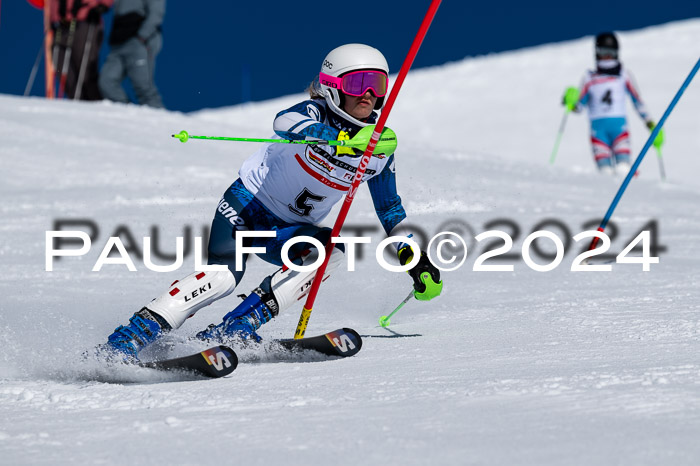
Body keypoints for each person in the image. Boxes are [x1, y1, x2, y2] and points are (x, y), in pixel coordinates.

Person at [98, 43, 443, 361]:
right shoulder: (317, 113)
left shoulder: (378, 149)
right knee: (222, 278)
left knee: (329, 253)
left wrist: (416, 262)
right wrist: (335, 138)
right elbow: (285, 122)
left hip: (289, 230)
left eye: (378, 85)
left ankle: (235, 329)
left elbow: (390, 211)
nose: (368, 94)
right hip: (246, 208)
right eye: (358, 83)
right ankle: (128, 339)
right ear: (333, 86)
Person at [562, 32, 664, 175]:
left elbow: (637, 101)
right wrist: (570, 102)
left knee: (623, 168)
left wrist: (650, 123)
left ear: (617, 53)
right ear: (596, 53)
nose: (607, 56)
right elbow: (579, 107)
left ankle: (632, 189)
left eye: (610, 52)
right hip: (598, 132)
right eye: (603, 52)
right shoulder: (589, 77)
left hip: (619, 129)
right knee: (605, 172)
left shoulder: (623, 75)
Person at [98, 0, 165, 108]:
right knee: (106, 82)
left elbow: (156, 14)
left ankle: (160, 120)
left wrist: (142, 36)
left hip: (138, 42)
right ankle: (127, 115)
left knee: (143, 86)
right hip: (118, 44)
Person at [50, 0, 113, 100]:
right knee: (64, 72)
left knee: (86, 71)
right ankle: (78, 104)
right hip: (62, 25)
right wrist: (53, 18)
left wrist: (103, 5)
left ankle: (97, 104)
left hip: (85, 21)